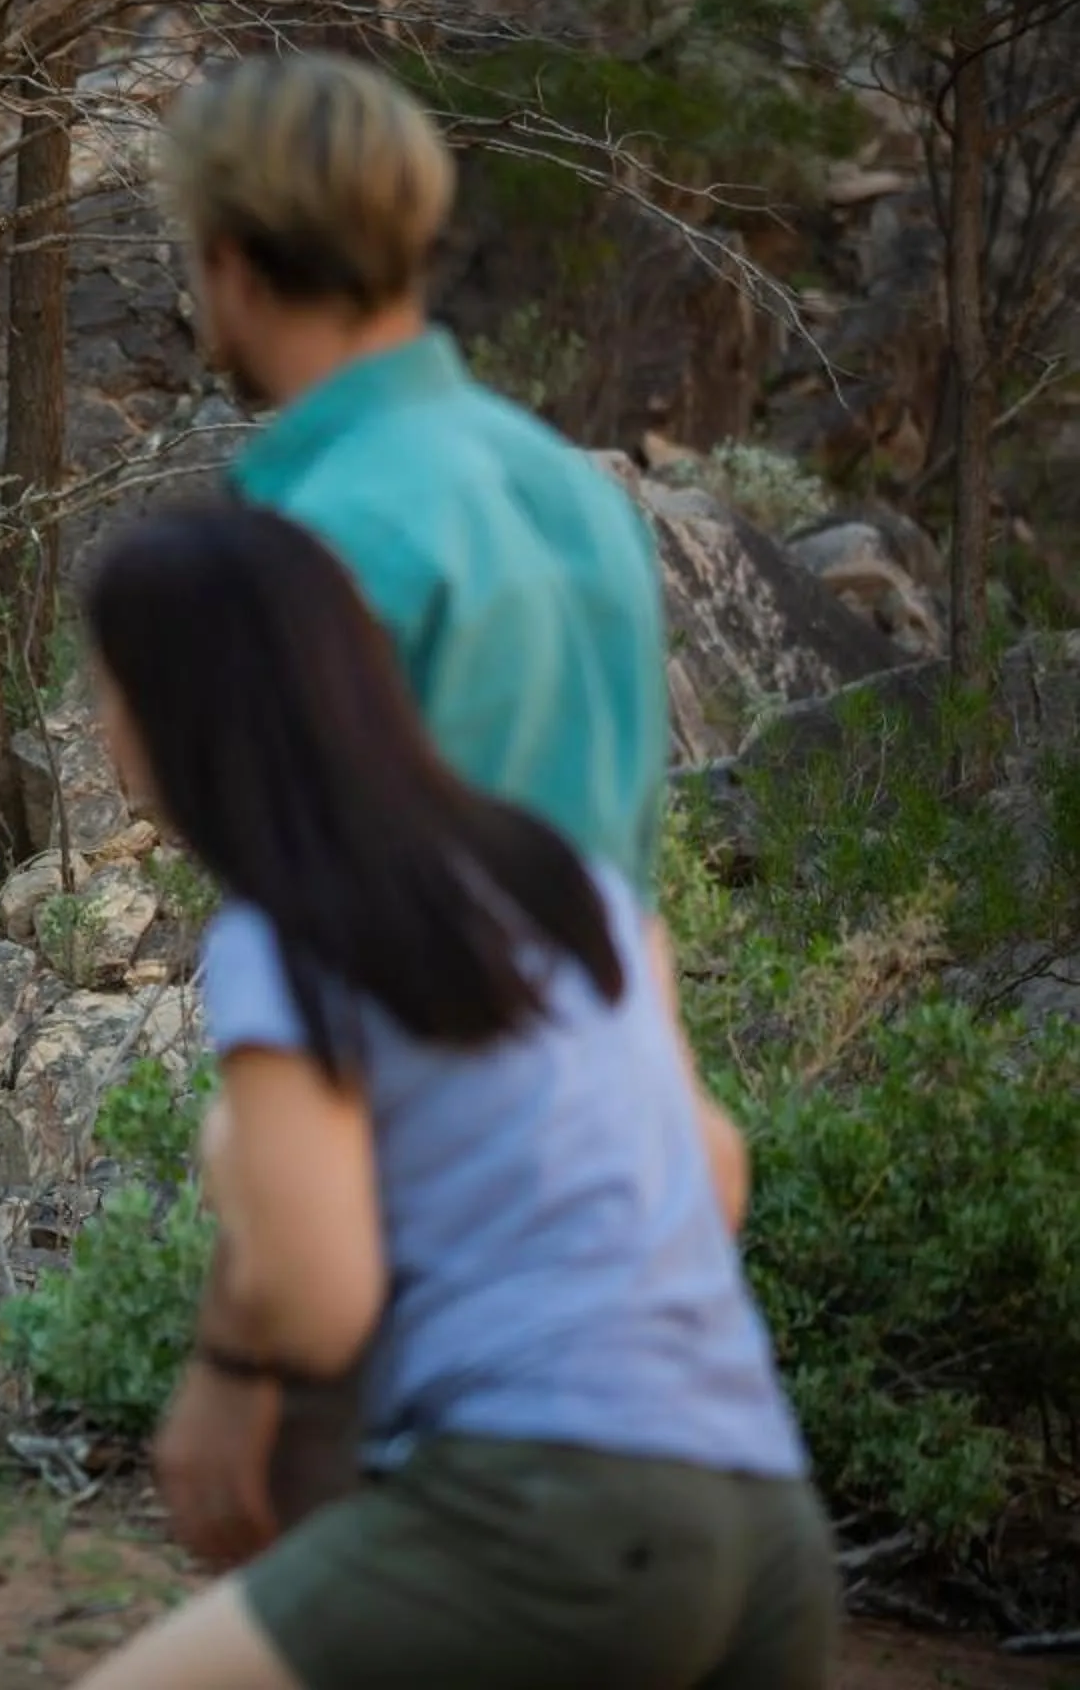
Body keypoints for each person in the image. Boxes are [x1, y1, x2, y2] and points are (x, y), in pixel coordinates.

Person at [72, 505, 833, 1690]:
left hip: (548, 1514)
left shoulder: (283, 930)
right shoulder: (564, 877)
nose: (101, 728)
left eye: (108, 689)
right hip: (768, 1531)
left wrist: (225, 1364)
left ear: (178, 711)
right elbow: (715, 1179)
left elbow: (321, 1304)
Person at [143, 48, 680, 1556]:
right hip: (616, 1236)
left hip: (402, 1242)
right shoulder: (571, 491)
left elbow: (332, 971)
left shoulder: (308, 535)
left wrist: (234, 1359)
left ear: (233, 266)